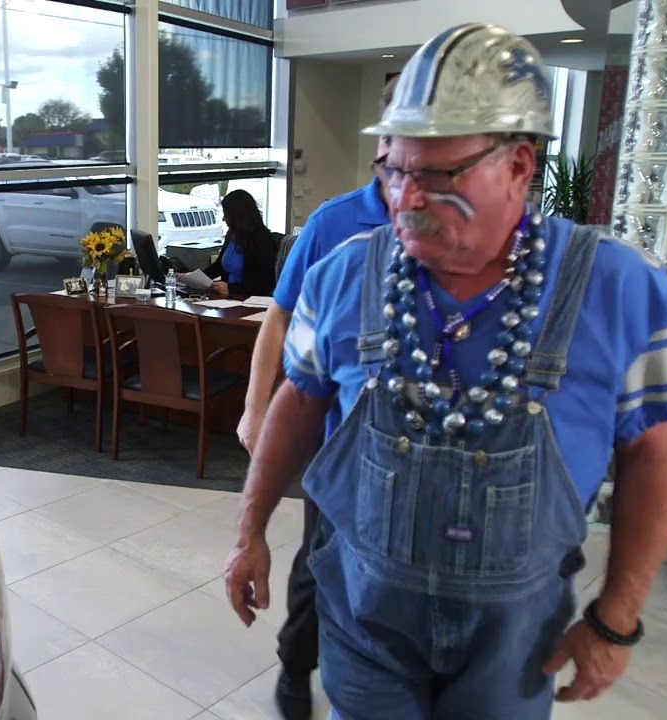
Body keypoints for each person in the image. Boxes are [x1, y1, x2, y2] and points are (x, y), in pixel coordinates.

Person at [225, 22, 667, 719]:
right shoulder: (343, 274)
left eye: (438, 174)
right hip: (366, 623)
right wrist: (249, 534)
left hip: (516, 643)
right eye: (394, 169)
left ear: (519, 164)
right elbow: (299, 405)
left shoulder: (624, 290)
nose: (407, 197)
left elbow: (657, 459)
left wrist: (614, 619)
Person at [233, 77, 396, 720]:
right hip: (342, 450)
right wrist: (254, 406)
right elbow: (278, 318)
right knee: (319, 565)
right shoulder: (336, 224)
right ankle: (297, 666)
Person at [195, 189, 278, 297]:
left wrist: (231, 288)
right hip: (228, 297)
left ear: (238, 216)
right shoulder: (232, 235)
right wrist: (194, 278)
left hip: (248, 299)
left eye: (226, 214)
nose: (224, 219)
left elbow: (264, 283)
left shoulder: (261, 239)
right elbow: (219, 266)